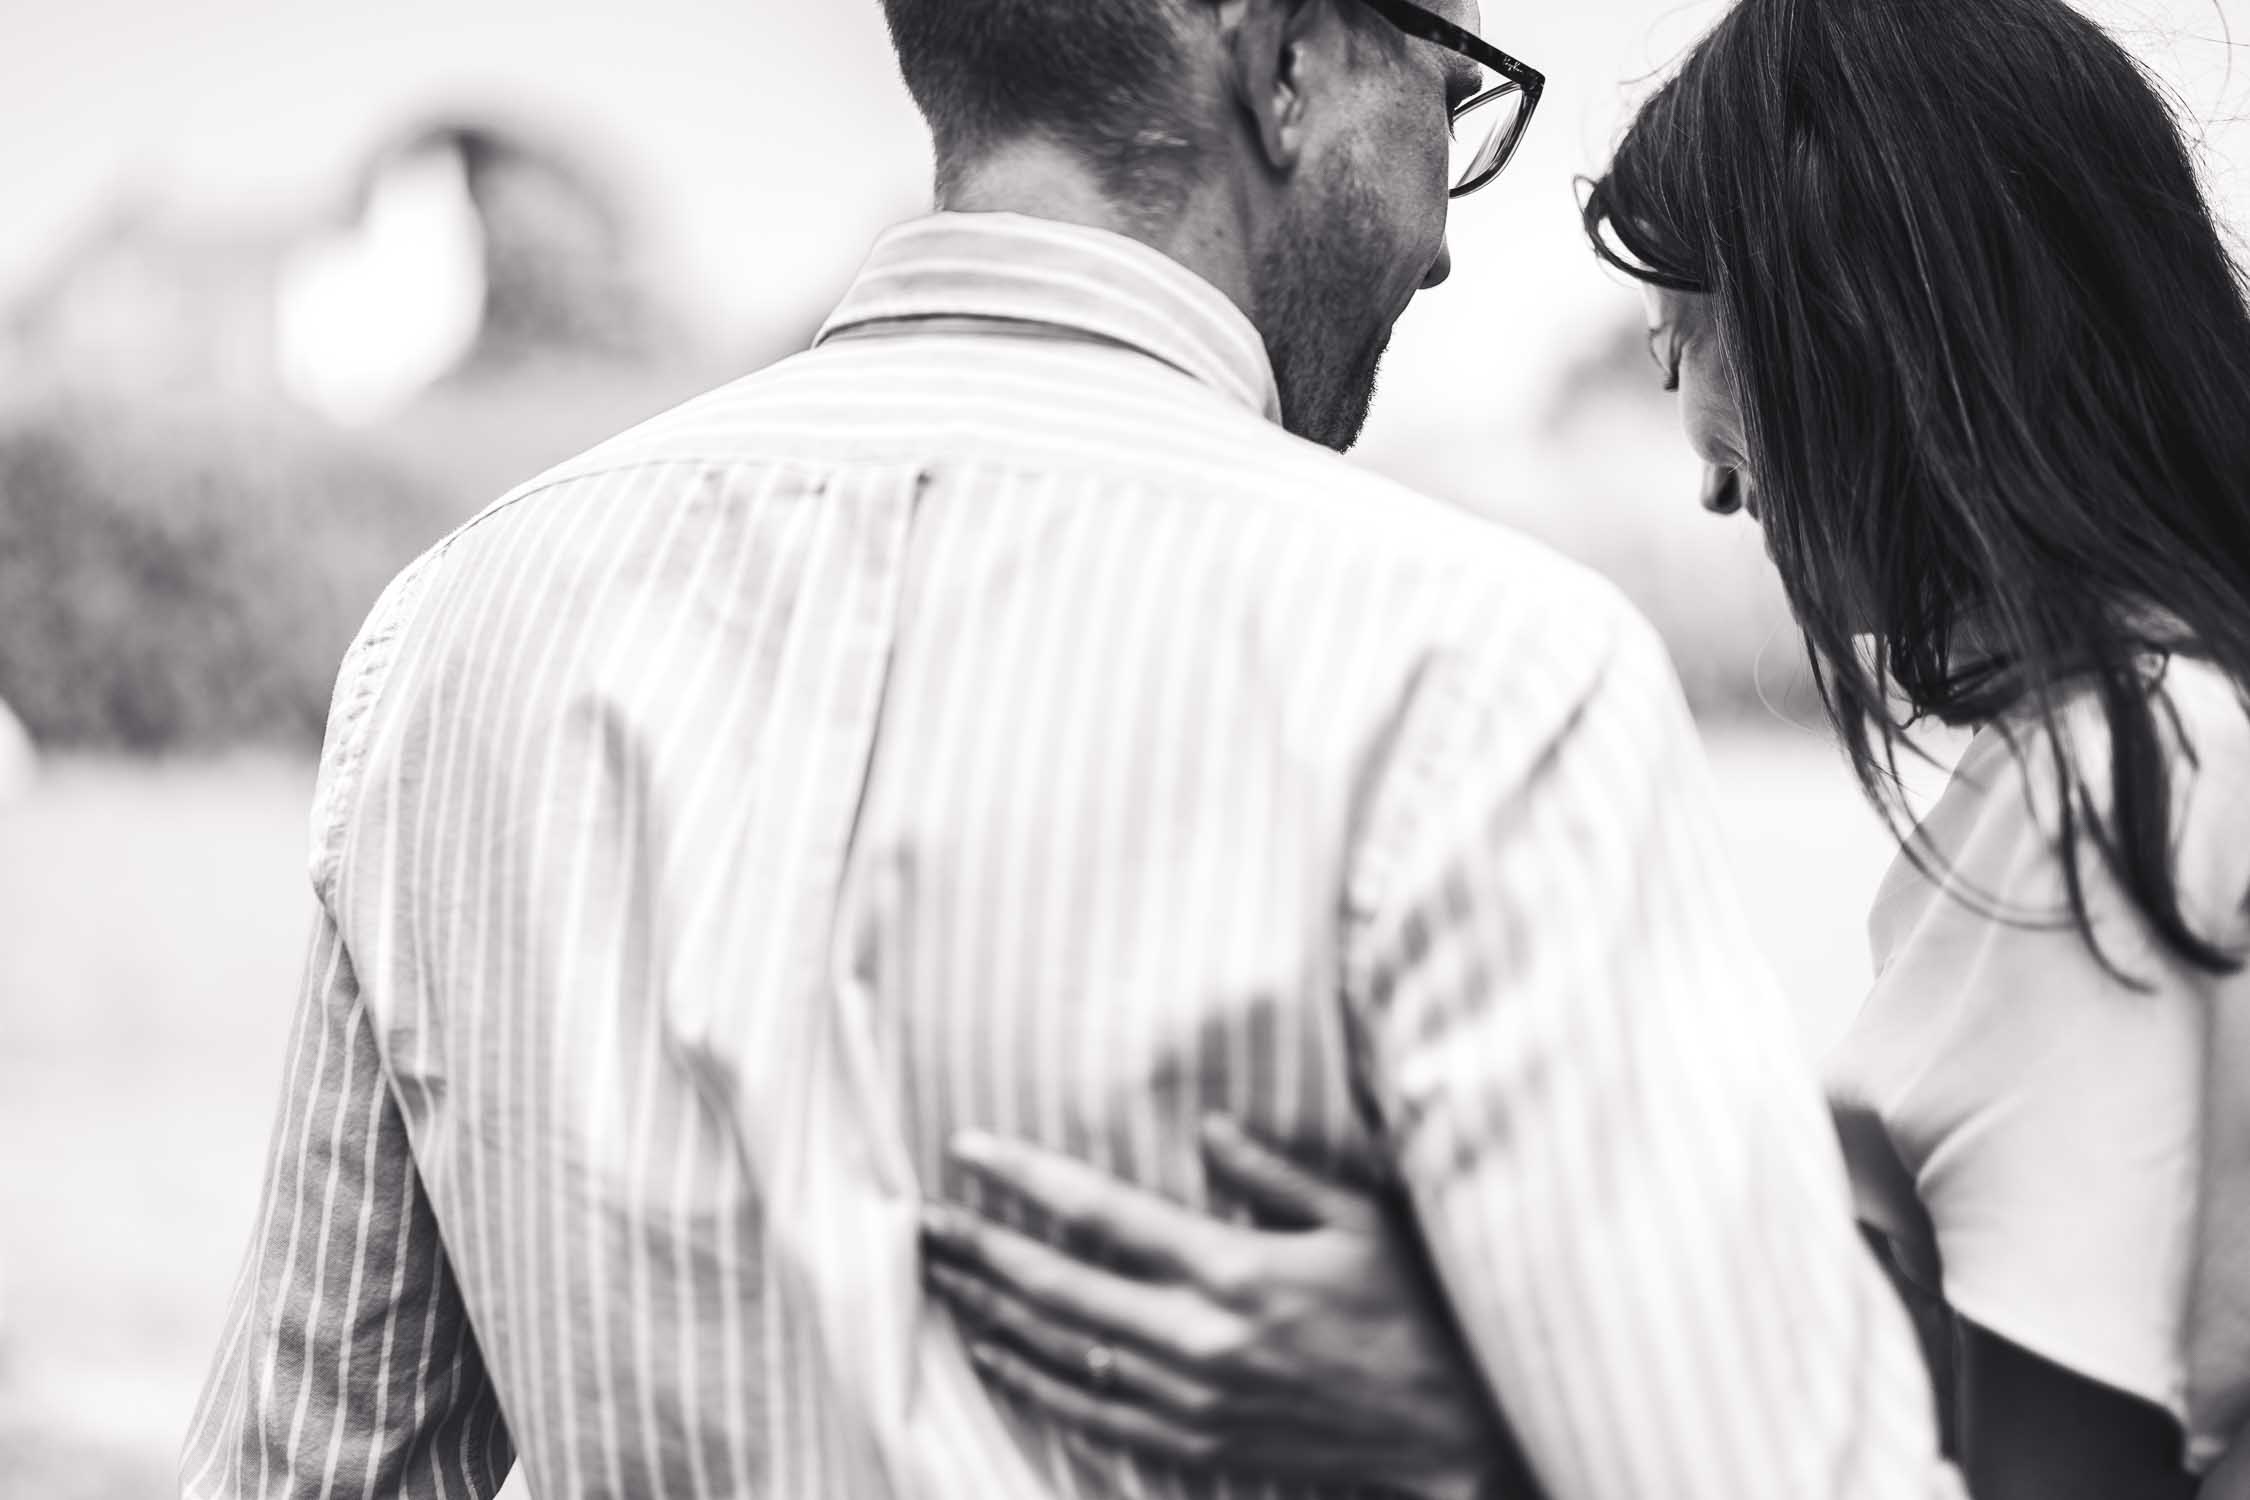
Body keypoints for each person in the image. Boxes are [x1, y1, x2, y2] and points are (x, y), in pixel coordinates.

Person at [180, 2, 1957, 1498]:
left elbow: (313, 1457)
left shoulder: (456, 630)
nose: (1439, 228)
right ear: (1282, 65)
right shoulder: (1472, 672)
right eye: (1451, 96)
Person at [914, 0, 2250, 1496]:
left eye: (1679, 343)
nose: (1708, 491)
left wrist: (1469, 1429)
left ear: (1858, 320)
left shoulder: (2126, 775)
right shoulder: (2144, 743)